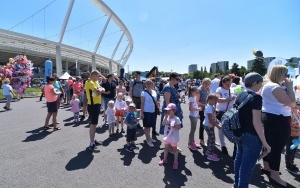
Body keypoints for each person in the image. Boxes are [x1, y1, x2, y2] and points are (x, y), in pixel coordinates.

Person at [234, 72, 271, 187]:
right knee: (247, 165)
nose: (261, 85)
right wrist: (265, 143)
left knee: (239, 160)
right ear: (255, 83)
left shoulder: (241, 94)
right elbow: (257, 122)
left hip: (240, 133)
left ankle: (236, 184)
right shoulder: (256, 98)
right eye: (260, 82)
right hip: (252, 136)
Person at [261, 65, 296, 187]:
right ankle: (275, 175)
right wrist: (290, 87)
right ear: (281, 74)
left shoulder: (268, 85)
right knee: (276, 148)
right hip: (278, 119)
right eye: (285, 74)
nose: (287, 77)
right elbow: (292, 103)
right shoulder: (275, 87)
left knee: (269, 145)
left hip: (270, 117)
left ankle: (267, 168)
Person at [215, 76, 237, 155]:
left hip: (230, 112)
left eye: (230, 84)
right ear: (223, 83)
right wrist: (229, 98)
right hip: (221, 112)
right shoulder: (219, 89)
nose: (229, 86)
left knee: (233, 128)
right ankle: (223, 145)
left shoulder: (232, 89)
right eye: (227, 84)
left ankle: (235, 144)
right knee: (221, 128)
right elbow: (218, 100)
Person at [85, 70, 104, 151]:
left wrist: (101, 89)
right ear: (94, 75)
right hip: (93, 106)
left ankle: (93, 140)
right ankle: (91, 143)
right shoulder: (89, 82)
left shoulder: (95, 82)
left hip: (96, 105)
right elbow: (98, 92)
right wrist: (101, 89)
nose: (99, 78)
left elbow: (102, 88)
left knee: (94, 124)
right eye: (98, 76)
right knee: (93, 124)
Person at [159, 103, 182, 170]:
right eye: (167, 110)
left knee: (175, 149)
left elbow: (179, 127)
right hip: (167, 136)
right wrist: (165, 117)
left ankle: (175, 161)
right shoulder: (166, 117)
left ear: (174, 111)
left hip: (173, 137)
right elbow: (163, 124)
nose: (168, 112)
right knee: (166, 148)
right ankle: (165, 159)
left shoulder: (176, 118)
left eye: (169, 110)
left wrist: (174, 126)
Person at [141, 79, 160, 147]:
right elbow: (142, 103)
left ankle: (149, 137)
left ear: (152, 84)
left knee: (151, 125)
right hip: (146, 111)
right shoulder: (143, 92)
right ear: (145, 85)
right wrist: (142, 113)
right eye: (147, 83)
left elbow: (155, 101)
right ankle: (148, 139)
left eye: (150, 83)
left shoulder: (154, 92)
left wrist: (158, 107)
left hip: (153, 111)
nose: (149, 85)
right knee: (147, 126)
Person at [203, 94, 222, 161]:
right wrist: (217, 126)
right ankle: (209, 154)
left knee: (210, 138)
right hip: (208, 125)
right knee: (212, 139)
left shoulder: (211, 106)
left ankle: (209, 151)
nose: (216, 101)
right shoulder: (209, 107)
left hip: (209, 124)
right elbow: (210, 119)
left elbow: (213, 116)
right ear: (210, 100)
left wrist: (217, 121)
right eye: (215, 100)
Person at [285, 110, 300, 175]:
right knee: (290, 151)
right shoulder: (289, 114)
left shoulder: (298, 113)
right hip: (290, 135)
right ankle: (289, 166)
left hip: (297, 136)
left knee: (294, 151)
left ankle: (291, 164)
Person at [187, 86, 202, 150]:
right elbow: (190, 108)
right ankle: (190, 144)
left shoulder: (194, 97)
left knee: (193, 130)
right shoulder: (191, 98)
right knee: (192, 130)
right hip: (193, 116)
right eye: (196, 92)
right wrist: (198, 109)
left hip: (195, 116)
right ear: (192, 92)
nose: (197, 92)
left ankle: (192, 142)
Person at [198, 78, 211, 146]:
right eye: (206, 83)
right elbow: (197, 101)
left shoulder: (207, 89)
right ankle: (201, 140)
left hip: (207, 108)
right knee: (202, 124)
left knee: (209, 124)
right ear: (203, 83)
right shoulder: (199, 90)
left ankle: (211, 139)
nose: (207, 85)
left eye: (209, 84)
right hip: (202, 109)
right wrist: (204, 105)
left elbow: (208, 97)